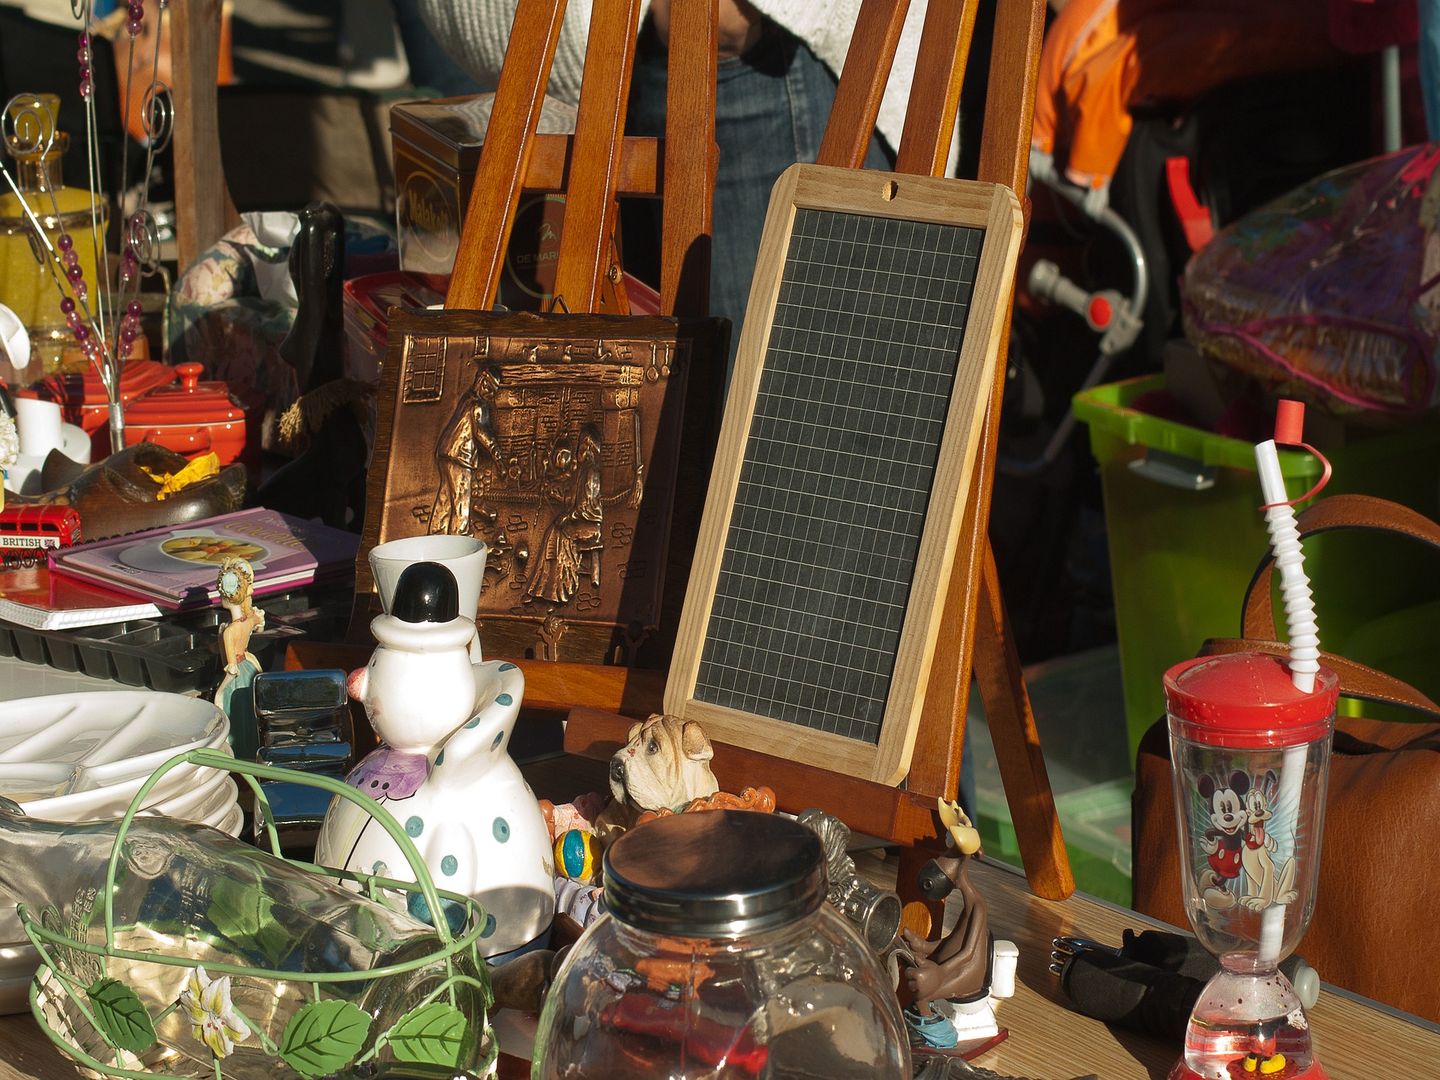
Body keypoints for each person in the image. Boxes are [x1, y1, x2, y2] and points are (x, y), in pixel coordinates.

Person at [416, 1, 933, 374]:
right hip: (586, 57)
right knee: (649, 409)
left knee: (758, 449)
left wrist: (724, 17)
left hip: (735, 58)